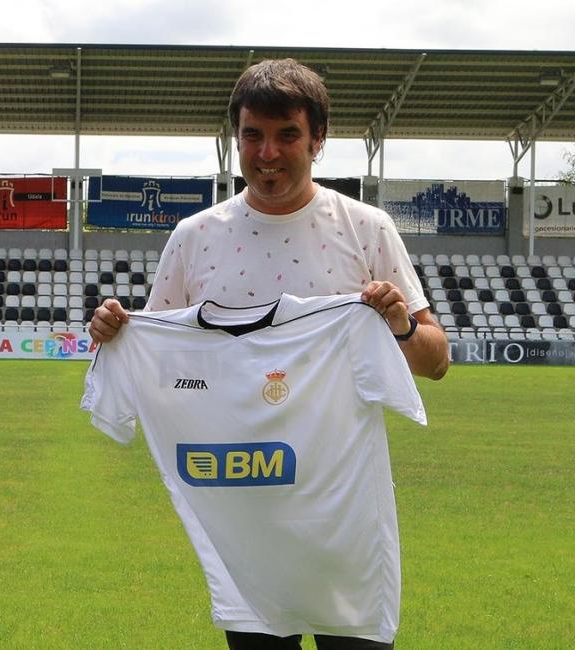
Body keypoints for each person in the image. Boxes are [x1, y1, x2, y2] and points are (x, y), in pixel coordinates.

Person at [88, 59, 448, 648]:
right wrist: (114, 330)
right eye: (253, 134)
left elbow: (436, 362)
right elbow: (157, 350)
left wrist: (401, 324)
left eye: (287, 135)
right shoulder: (195, 236)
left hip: (341, 531)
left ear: (318, 140)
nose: (268, 153)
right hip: (244, 532)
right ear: (237, 138)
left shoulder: (365, 228)